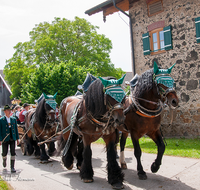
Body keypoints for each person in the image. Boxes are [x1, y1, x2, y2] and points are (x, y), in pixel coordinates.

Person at [0, 105, 19, 172]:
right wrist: (0, 139)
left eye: (10, 110)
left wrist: (17, 139)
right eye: (8, 110)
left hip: (12, 138)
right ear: (5, 111)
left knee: (13, 152)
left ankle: (12, 167)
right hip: (5, 138)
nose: (9, 111)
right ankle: (4, 159)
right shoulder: (1, 120)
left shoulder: (13, 119)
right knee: (5, 152)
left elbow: (16, 130)